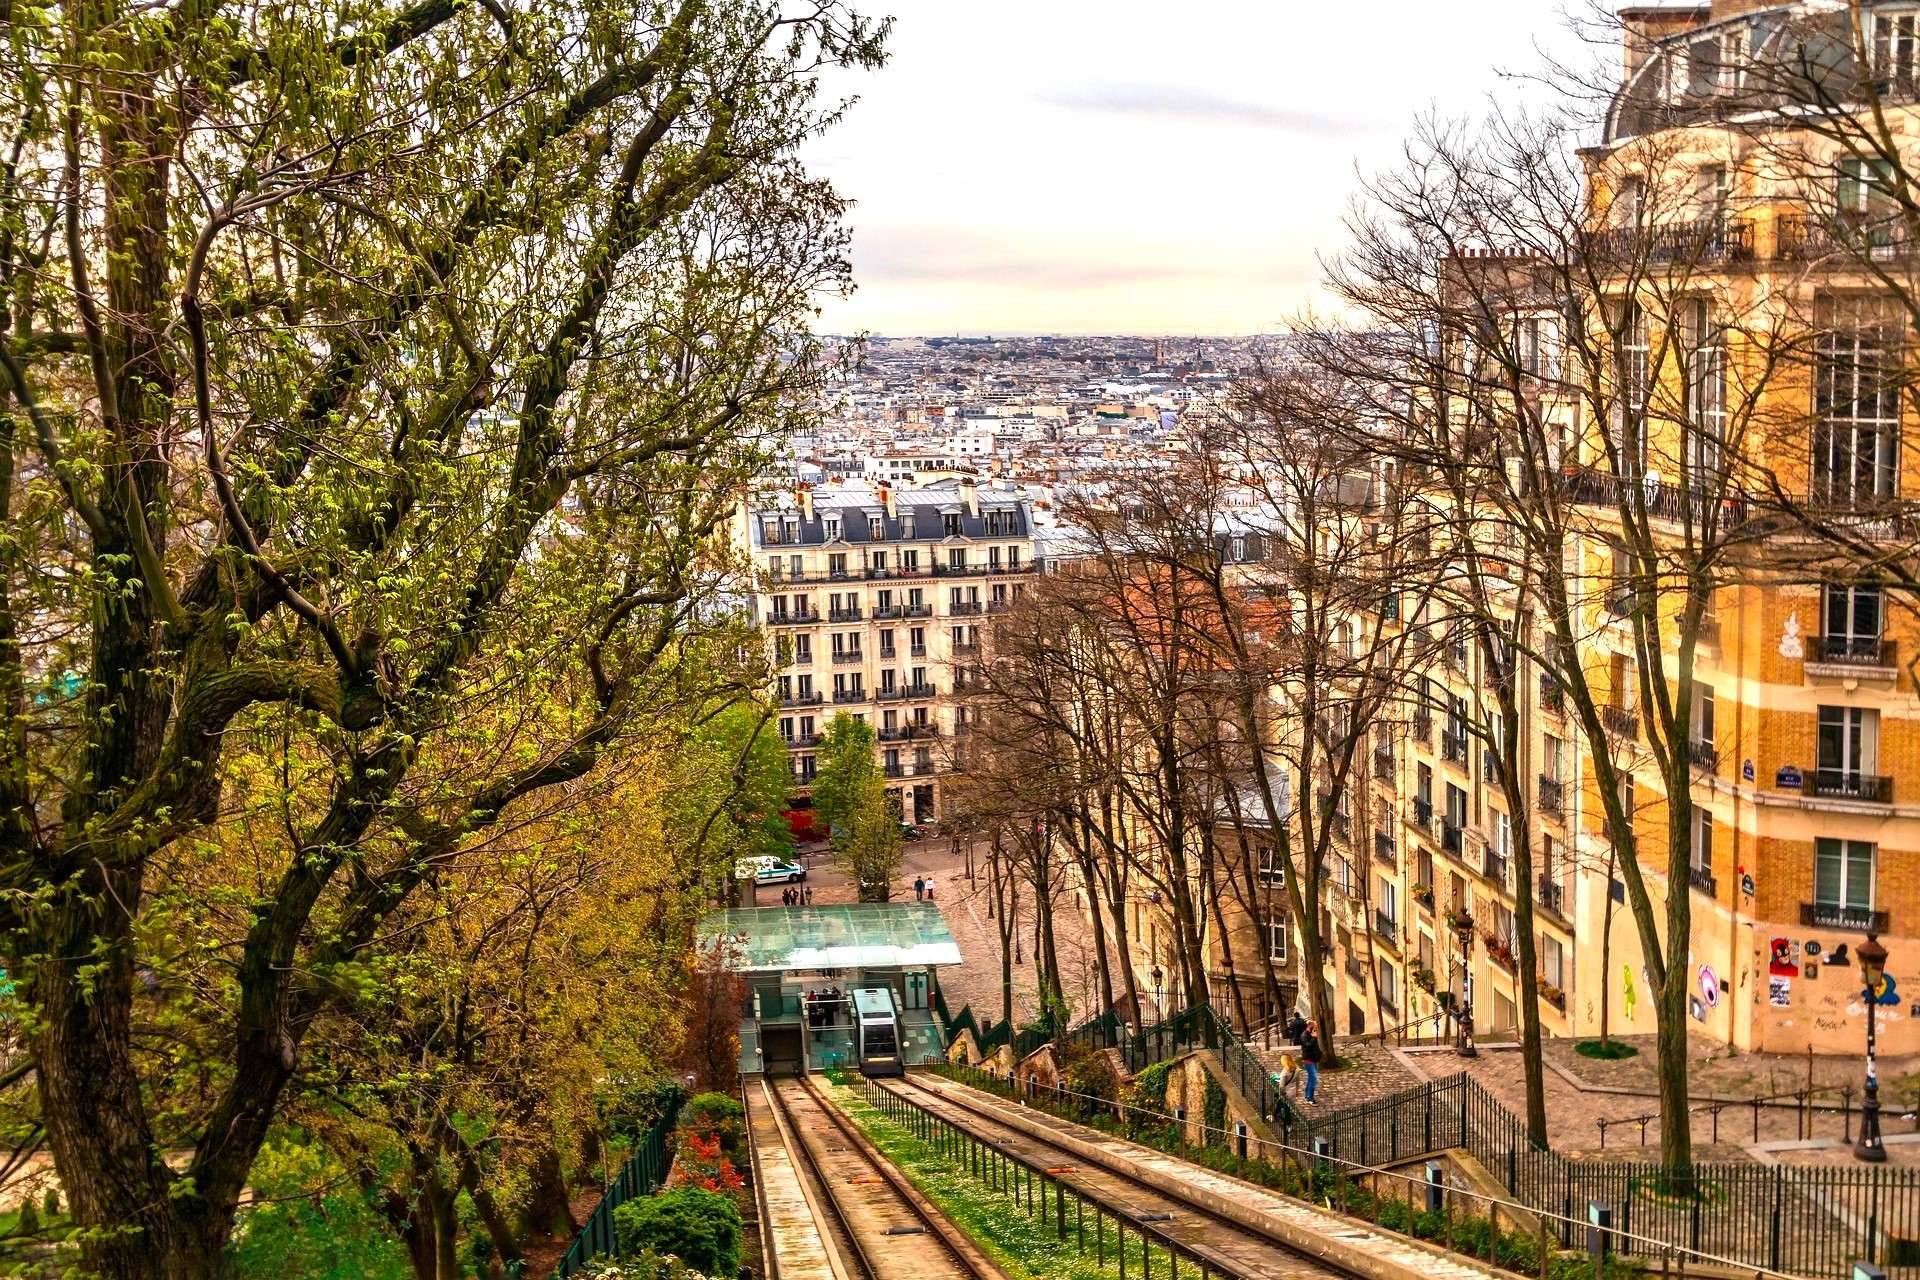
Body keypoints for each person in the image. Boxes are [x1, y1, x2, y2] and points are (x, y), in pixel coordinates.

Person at [1300, 1020, 1323, 1104]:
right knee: (1313, 1078)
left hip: (1314, 1059)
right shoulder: (1304, 1035)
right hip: (1308, 1060)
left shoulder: (1312, 1034)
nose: (1316, 1028)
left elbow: (1314, 1046)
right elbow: (1307, 1046)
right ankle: (1309, 1098)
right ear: (1310, 1026)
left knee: (1312, 1078)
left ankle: (1307, 1095)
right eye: (1315, 1026)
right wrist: (1314, 1037)